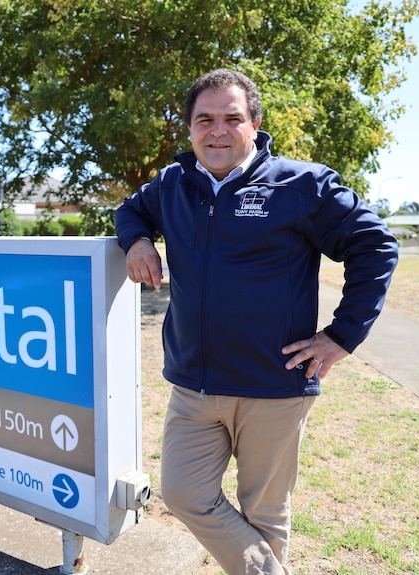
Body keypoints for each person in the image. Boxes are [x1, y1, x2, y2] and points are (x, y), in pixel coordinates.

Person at [114, 69, 397, 574]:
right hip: (192, 388)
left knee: (266, 514)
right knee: (182, 493)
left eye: (231, 118)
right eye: (205, 119)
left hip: (273, 386)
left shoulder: (302, 185)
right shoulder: (172, 184)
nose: (217, 130)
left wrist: (341, 336)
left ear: (255, 124)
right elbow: (130, 211)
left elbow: (375, 245)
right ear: (190, 128)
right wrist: (138, 239)